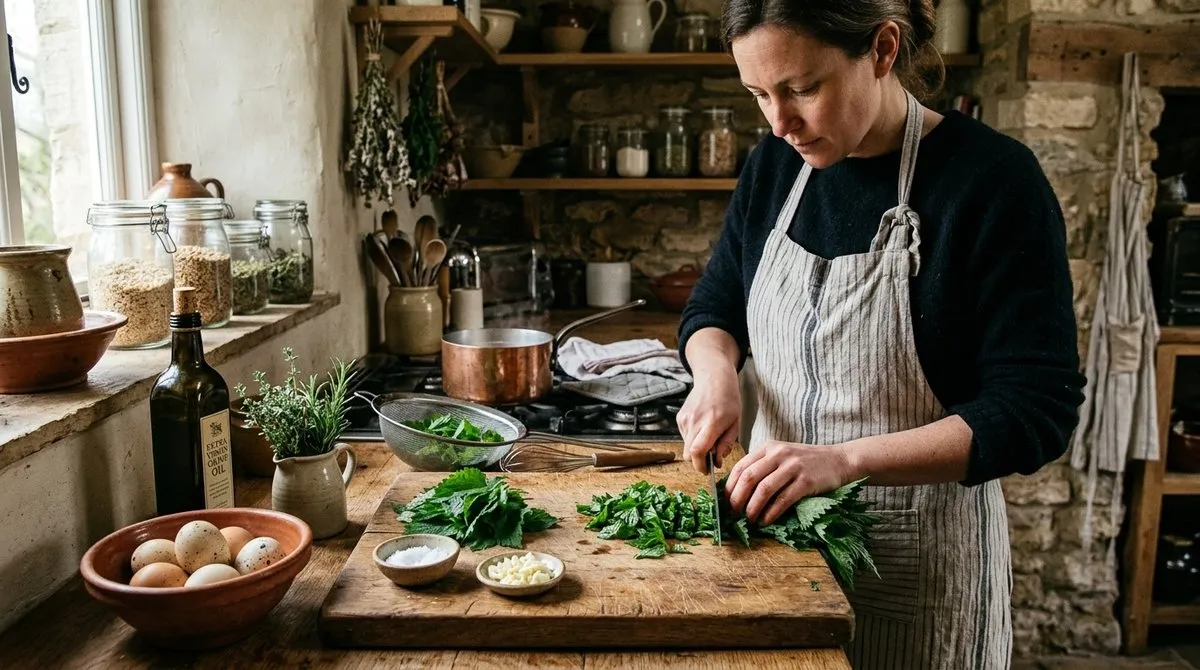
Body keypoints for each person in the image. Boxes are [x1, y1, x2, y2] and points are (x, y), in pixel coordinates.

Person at [675, 1, 1086, 668]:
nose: (780, 123)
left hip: (922, 576)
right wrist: (716, 376)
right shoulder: (774, 169)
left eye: (802, 89)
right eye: (759, 95)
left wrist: (844, 461)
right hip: (778, 555)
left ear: (883, 50)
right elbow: (716, 305)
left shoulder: (992, 181)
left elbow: (1035, 410)